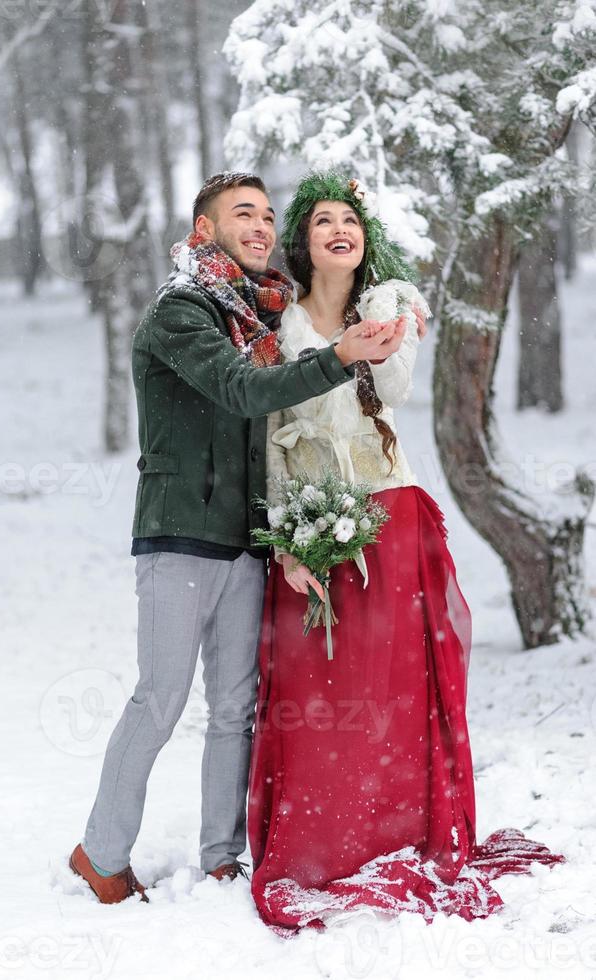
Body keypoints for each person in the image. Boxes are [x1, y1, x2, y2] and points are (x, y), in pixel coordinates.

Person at [68, 171, 417, 904]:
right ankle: (100, 853)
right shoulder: (182, 311)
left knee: (235, 706)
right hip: (180, 535)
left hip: (244, 544)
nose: (260, 225)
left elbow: (272, 432)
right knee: (161, 698)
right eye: (241, 214)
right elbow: (240, 391)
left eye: (265, 213)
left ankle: (222, 856)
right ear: (205, 230)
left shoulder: (258, 319)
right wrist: (337, 357)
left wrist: (285, 537)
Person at [247, 171, 564, 931]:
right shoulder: (279, 328)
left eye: (350, 218)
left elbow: (389, 392)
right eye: (323, 218)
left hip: (388, 511)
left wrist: (384, 321)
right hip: (312, 520)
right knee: (318, 689)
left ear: (365, 240)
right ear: (305, 240)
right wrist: (289, 543)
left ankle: (395, 830)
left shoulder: (388, 306)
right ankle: (327, 837)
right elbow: (273, 444)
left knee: (393, 689)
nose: (338, 227)